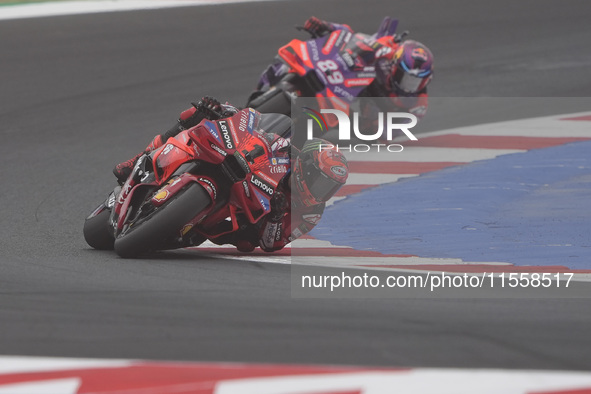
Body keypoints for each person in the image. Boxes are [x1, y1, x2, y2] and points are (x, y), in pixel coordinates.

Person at [113, 97, 349, 253]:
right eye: (320, 181)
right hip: (240, 171)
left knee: (246, 242)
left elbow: (272, 244)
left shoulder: (311, 213)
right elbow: (259, 126)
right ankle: (137, 159)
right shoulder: (289, 152)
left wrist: (276, 217)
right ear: (305, 165)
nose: (321, 191)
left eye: (329, 187)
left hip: (244, 220)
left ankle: (188, 221)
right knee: (197, 114)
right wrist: (226, 112)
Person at [257, 16, 433, 119]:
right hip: (344, 81)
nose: (409, 86)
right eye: (407, 78)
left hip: (359, 118)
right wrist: (328, 28)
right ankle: (266, 86)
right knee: (295, 57)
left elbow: (388, 133)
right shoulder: (389, 53)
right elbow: (359, 38)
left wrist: (372, 119)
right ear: (395, 65)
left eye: (417, 81)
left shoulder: (417, 104)